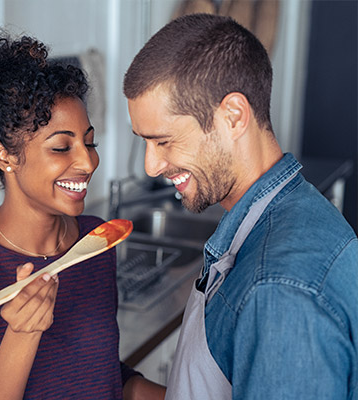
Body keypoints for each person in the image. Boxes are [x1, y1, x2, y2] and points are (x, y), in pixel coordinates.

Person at [0, 25, 158, 399]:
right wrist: (22, 334)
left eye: (89, 142)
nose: (87, 162)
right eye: (61, 147)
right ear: (4, 156)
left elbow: (100, 375)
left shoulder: (95, 240)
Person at [123, 13, 358, 400]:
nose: (152, 165)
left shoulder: (278, 290)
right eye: (144, 142)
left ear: (233, 116)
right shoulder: (285, 212)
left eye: (164, 141)